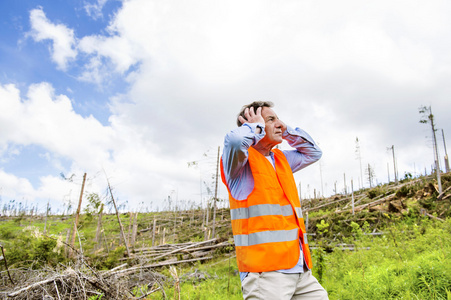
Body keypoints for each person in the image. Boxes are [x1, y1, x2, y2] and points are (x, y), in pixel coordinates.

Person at [220, 101, 328, 299]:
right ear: (254, 125)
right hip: (266, 274)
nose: (279, 123)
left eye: (278, 119)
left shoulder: (281, 159)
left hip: (300, 270)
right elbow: (235, 141)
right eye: (271, 119)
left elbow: (314, 153)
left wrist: (286, 132)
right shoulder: (239, 165)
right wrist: (255, 127)